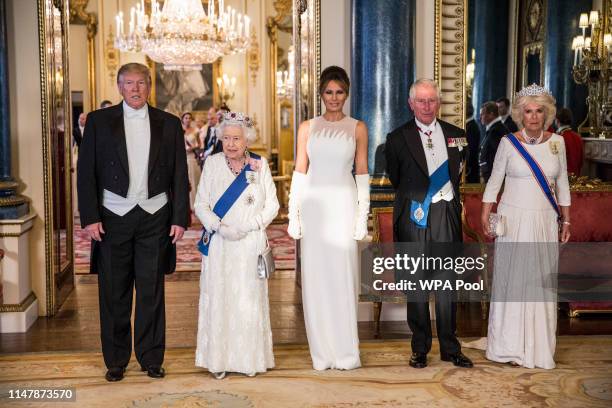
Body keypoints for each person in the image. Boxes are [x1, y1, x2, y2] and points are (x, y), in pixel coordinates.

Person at [77, 62, 190, 382]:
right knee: (114, 291)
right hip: (112, 216)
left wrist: (180, 217)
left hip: (156, 215)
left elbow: (180, 175)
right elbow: (86, 174)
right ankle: (115, 360)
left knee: (152, 289)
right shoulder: (99, 122)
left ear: (149, 86)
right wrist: (90, 217)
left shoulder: (169, 124)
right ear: (119, 86)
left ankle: (151, 357)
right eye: (129, 83)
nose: (135, 89)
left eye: (141, 83)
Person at [385, 78, 473, 369]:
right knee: (417, 284)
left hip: (446, 216)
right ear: (411, 104)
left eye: (431, 100)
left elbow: (460, 172)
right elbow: (398, 180)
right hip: (415, 217)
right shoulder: (397, 138)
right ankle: (420, 347)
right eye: (420, 100)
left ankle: (450, 347)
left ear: (439, 102)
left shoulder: (457, 135)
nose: (426, 105)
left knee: (448, 284)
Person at [481, 84, 571, 369]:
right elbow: (495, 181)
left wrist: (566, 219)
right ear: (520, 115)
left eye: (539, 111)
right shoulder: (509, 143)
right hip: (514, 219)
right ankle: (507, 346)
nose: (533, 117)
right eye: (528, 112)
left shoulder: (558, 143)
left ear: (547, 114)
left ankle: (538, 348)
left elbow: (564, 184)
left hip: (545, 220)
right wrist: (486, 213)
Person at [287, 65, 369, 370]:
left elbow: (362, 173)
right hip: (314, 208)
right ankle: (322, 354)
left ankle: (347, 353)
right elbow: (299, 172)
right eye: (328, 92)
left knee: (344, 279)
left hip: (344, 206)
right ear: (321, 94)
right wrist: (293, 214)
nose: (334, 98)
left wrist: (362, 217)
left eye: (339, 92)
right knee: (317, 281)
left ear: (346, 93)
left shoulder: (358, 127)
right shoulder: (307, 127)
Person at [194, 111, 279, 379]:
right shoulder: (212, 164)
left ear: (247, 140)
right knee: (221, 299)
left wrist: (247, 226)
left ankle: (248, 359)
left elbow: (272, 205)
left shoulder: (259, 164)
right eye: (226, 138)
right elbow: (200, 204)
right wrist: (221, 227)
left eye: (236, 139)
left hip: (249, 243)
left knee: (247, 300)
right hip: (220, 244)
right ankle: (219, 359)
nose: (231, 144)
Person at [479, 101, 509, 182]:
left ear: (491, 114)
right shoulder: (494, 129)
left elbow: (500, 157)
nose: (480, 117)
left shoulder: (496, 131)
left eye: (482, 114)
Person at [182, 111, 202, 210]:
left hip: (192, 158)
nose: (188, 120)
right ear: (182, 119)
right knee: (185, 182)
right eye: (186, 118)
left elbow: (199, 144)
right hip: (183, 158)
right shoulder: (179, 130)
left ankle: (195, 205)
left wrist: (193, 147)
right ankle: (187, 206)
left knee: (195, 181)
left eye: (189, 118)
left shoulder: (196, 130)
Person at [555, 108, 584, 175]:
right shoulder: (578, 137)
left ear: (557, 120)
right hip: (576, 177)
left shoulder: (558, 138)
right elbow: (581, 161)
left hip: (562, 178)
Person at [465, 105, 480, 183]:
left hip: (470, 169)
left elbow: (470, 149)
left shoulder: (471, 127)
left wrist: (466, 167)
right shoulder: (470, 125)